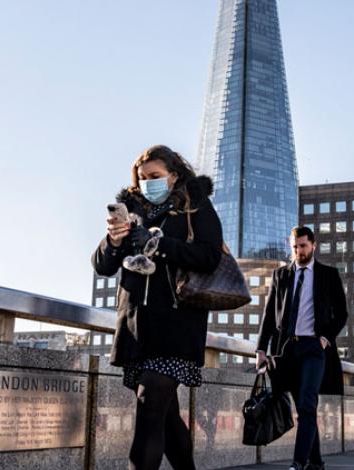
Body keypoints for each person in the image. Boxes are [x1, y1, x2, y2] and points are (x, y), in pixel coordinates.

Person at [92, 145, 224, 470]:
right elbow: (103, 267)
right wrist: (114, 240)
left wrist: (159, 244)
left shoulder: (196, 208)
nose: (147, 182)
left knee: (149, 405)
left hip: (177, 326)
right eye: (142, 178)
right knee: (165, 418)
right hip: (138, 328)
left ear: (174, 175)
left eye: (155, 176)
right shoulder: (132, 211)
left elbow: (210, 257)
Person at [256, 226, 348, 470]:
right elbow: (268, 315)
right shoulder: (281, 275)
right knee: (303, 407)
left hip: (313, 349)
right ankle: (316, 463)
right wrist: (261, 350)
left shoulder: (328, 275)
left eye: (303, 246)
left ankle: (298, 463)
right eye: (295, 247)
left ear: (313, 245)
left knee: (307, 404)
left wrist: (325, 338)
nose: (299, 251)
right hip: (287, 350)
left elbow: (342, 313)